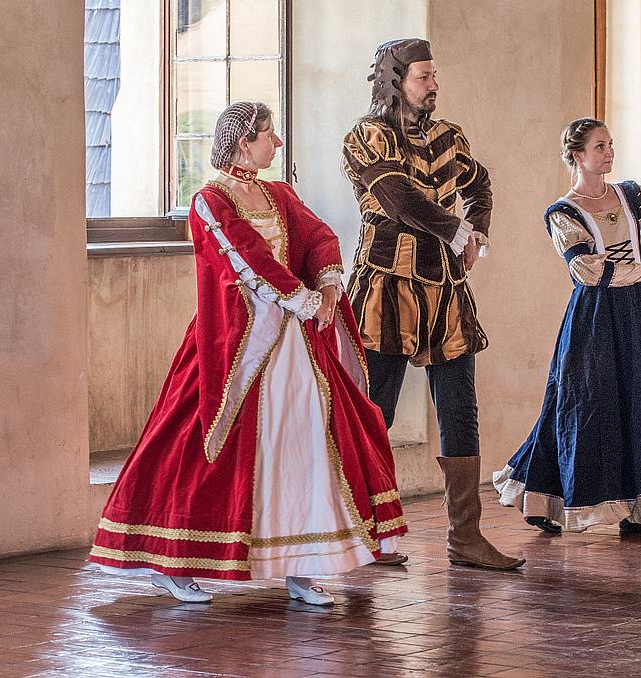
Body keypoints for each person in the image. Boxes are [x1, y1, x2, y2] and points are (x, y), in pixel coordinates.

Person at [88, 102, 408, 606]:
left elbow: (318, 236)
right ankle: (173, 560)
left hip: (295, 344)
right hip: (233, 343)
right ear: (244, 142)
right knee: (195, 444)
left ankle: (303, 562)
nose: (276, 143)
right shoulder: (210, 201)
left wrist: (327, 286)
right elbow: (246, 258)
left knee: (306, 443)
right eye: (268, 134)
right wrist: (302, 299)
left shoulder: (279, 193)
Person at [342, 38, 524, 570]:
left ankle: (465, 537)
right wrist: (456, 230)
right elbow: (399, 199)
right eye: (423, 76)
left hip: (446, 290)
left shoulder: (449, 136)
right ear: (395, 80)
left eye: (434, 75)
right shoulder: (366, 137)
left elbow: (480, 183)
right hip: (387, 286)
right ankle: (360, 532)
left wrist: (478, 233)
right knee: (375, 409)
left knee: (460, 410)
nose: (433, 85)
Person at [493, 117, 641, 537]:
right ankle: (541, 496)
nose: (609, 152)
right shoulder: (564, 212)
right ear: (577, 155)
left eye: (610, 144)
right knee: (582, 406)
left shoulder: (631, 196)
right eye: (600, 146)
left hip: (638, 316)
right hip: (593, 318)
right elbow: (587, 270)